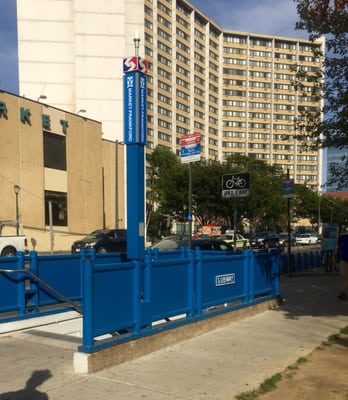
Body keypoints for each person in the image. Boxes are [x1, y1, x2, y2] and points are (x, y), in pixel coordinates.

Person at [337, 232, 348, 300]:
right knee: (343, 276)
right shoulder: (343, 237)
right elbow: (339, 246)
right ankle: (343, 292)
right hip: (344, 259)